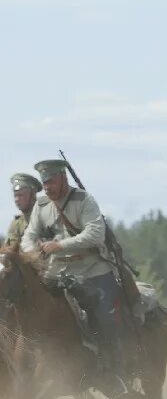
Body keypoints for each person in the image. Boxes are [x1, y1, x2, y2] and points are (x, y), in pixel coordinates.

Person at [20, 159, 127, 383]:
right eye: (44, 182)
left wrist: (60, 246)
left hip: (92, 269)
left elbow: (95, 234)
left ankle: (115, 369)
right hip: (56, 271)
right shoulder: (41, 207)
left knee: (105, 317)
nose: (47, 186)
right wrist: (34, 253)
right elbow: (28, 237)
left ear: (63, 178)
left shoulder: (84, 200)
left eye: (50, 181)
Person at [6, 173, 41, 248]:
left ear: (33, 195)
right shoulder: (17, 223)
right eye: (15, 196)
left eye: (20, 195)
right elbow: (10, 250)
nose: (16, 200)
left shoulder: (48, 215)